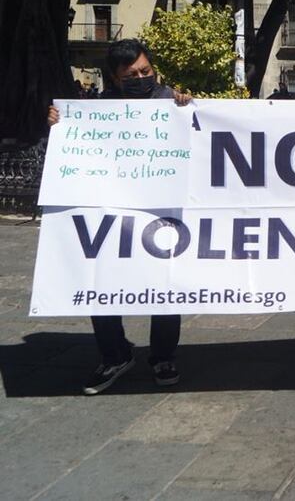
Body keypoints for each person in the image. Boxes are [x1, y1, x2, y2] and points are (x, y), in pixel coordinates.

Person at [47, 39, 193, 395]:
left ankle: (163, 356)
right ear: (114, 78)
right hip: (112, 210)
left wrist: (188, 107)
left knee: (165, 284)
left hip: (161, 210)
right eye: (131, 75)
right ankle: (115, 354)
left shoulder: (171, 102)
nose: (141, 78)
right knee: (102, 280)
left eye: (146, 71)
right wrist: (58, 124)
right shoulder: (99, 108)